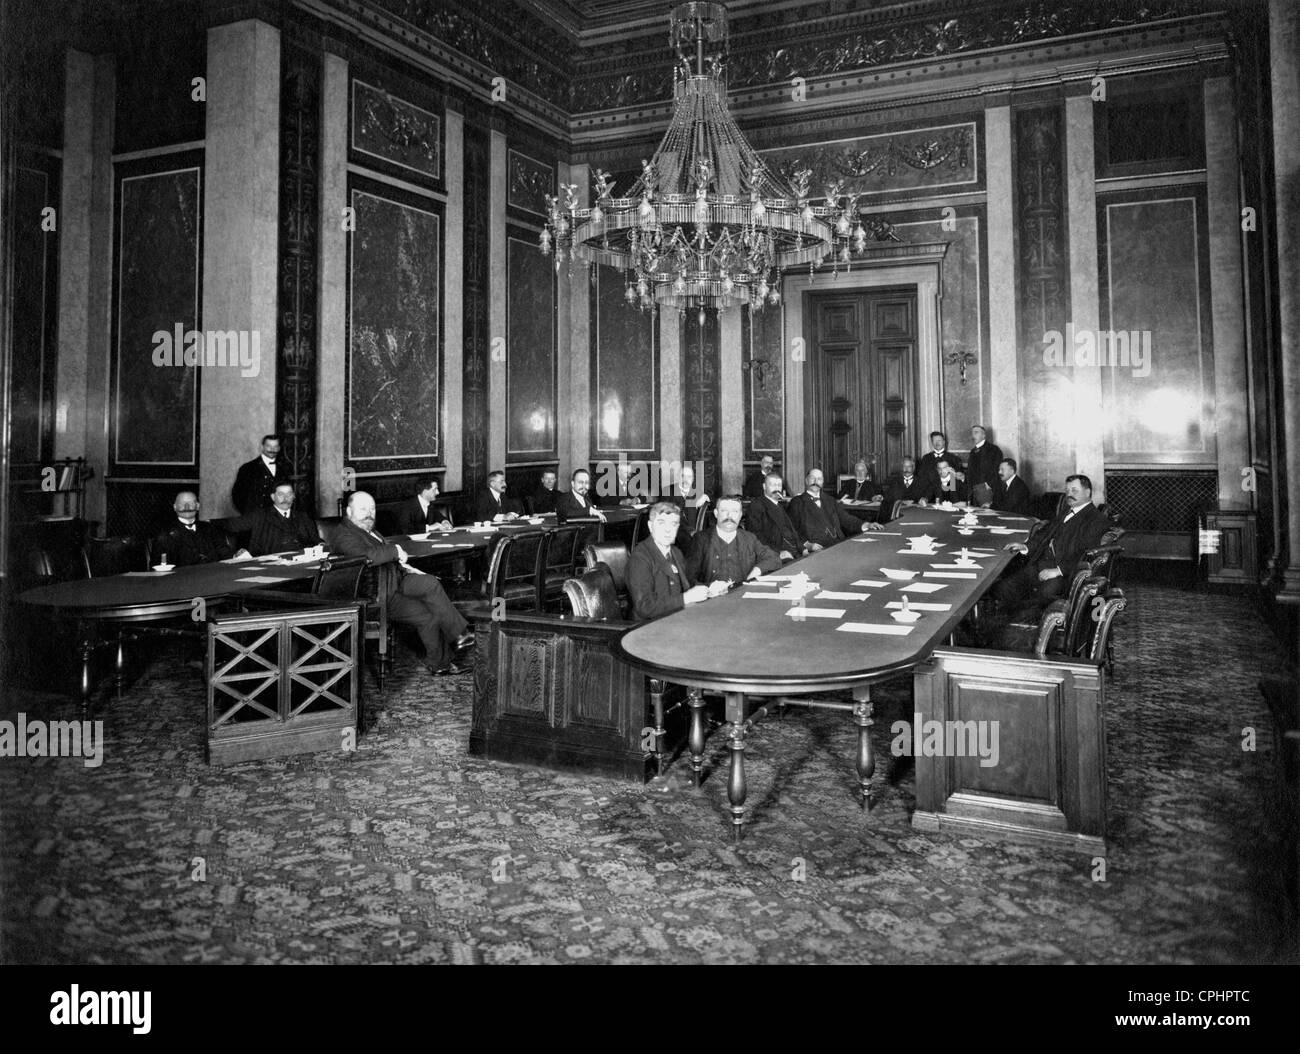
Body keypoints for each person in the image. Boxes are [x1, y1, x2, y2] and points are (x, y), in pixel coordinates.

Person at [331, 491, 473, 676]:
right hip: (372, 597)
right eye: (363, 509)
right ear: (349, 511)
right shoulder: (343, 534)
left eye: (372, 508)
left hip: (392, 584)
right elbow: (368, 556)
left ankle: (441, 663)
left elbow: (382, 555)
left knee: (430, 603)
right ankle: (459, 634)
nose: (369, 513)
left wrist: (405, 566)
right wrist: (395, 550)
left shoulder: (367, 529)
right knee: (430, 590)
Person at [993, 474, 1110, 608]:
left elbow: (1086, 554)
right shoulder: (1067, 511)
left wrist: (1057, 571)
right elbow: (1044, 533)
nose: (1069, 494)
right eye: (1067, 490)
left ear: (1087, 492)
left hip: (1065, 574)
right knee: (1003, 588)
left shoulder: (1096, 519)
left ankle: (1040, 625)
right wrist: (1025, 547)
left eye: (1074, 490)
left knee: (1041, 599)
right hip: (1040, 565)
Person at [626, 502, 713, 620]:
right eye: (661, 523)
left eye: (673, 524)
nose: (668, 530)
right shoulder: (640, 557)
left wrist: (711, 588)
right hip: (648, 627)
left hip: (676, 618)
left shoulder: (676, 552)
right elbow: (644, 607)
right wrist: (685, 598)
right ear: (650, 526)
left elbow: (688, 584)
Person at [686, 495, 782, 587]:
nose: (729, 516)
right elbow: (688, 578)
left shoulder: (749, 538)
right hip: (713, 599)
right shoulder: (701, 540)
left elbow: (774, 559)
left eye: (735, 511)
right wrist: (709, 587)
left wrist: (757, 570)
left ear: (740, 515)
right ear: (716, 513)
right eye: (724, 511)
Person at [787, 468, 883, 551]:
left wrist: (867, 524)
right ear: (806, 480)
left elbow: (847, 519)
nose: (816, 482)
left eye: (819, 479)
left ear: (823, 482)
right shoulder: (796, 503)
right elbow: (790, 530)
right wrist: (807, 545)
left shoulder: (830, 500)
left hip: (837, 544)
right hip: (816, 548)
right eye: (813, 478)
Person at [154, 491, 248, 566]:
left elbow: (224, 552)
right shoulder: (165, 535)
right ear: (175, 507)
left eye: (191, 503)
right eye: (182, 503)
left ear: (198, 506)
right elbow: (159, 566)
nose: (187, 507)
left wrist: (236, 556)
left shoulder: (210, 528)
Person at [236, 482, 322, 556]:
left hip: (301, 562)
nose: (285, 498)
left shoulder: (303, 517)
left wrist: (321, 545)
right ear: (273, 497)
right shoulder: (260, 516)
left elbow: (316, 540)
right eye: (281, 494)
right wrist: (236, 554)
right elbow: (225, 526)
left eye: (289, 494)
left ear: (294, 496)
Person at [743, 472, 805, 561]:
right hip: (775, 554)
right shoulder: (756, 505)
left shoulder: (780, 506)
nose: (776, 488)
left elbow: (792, 531)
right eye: (772, 485)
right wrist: (778, 552)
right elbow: (755, 536)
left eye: (779, 485)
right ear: (764, 486)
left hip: (794, 552)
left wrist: (803, 549)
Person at [231, 434, 283, 514]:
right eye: (268, 446)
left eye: (275, 446)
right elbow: (237, 495)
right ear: (262, 447)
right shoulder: (247, 468)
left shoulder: (284, 468)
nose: (272, 449)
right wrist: (248, 514)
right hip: (254, 519)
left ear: (279, 448)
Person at [917, 431, 964, 498]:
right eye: (934, 440)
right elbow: (921, 478)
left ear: (944, 442)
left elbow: (958, 480)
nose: (937, 443)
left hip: (948, 496)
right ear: (931, 443)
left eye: (939, 440)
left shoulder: (954, 459)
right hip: (929, 497)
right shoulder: (926, 458)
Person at [965, 425, 1003, 497]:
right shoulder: (973, 451)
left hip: (988, 489)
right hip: (974, 490)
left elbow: (997, 470)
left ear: (984, 435)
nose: (973, 435)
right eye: (972, 433)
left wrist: (988, 485)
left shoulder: (994, 450)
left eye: (976, 432)